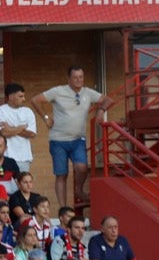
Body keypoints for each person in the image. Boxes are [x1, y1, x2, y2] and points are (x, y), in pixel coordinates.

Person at [31, 66, 112, 209]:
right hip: (58, 140)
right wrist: (45, 117)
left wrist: (101, 110)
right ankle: (63, 208)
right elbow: (35, 100)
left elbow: (108, 99)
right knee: (61, 175)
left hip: (78, 139)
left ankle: (79, 189)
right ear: (69, 79)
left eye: (81, 77)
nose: (78, 80)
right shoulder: (58, 91)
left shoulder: (88, 92)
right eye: (75, 77)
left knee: (81, 167)